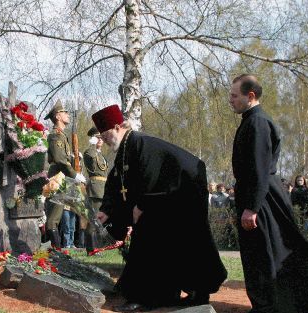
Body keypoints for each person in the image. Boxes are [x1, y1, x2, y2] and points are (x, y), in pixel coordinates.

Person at [230, 74, 308, 313]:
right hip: (263, 195)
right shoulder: (252, 120)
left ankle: (269, 306)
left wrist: (252, 207)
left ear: (251, 96)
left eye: (234, 95)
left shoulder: (257, 123)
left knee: (266, 252)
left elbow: (259, 167)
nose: (230, 100)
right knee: (271, 250)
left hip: (262, 198)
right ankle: (273, 304)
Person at [92, 105, 227, 311]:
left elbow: (152, 176)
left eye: (105, 133)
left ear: (118, 127)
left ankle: (153, 297)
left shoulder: (142, 144)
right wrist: (107, 209)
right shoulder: (125, 149)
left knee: (164, 241)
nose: (104, 139)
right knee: (158, 243)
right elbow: (116, 182)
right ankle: (161, 294)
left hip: (183, 195)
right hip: (162, 200)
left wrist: (141, 205)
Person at [44, 100, 86, 248]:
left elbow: (64, 158)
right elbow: (60, 160)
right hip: (58, 179)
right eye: (64, 112)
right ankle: (56, 252)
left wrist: (74, 159)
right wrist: (75, 175)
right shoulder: (56, 136)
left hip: (63, 178)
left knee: (83, 210)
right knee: (53, 219)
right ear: (57, 116)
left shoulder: (62, 136)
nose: (67, 114)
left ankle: (92, 244)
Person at [81, 126, 108, 253]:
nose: (100, 140)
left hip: (103, 189)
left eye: (101, 137)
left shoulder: (101, 155)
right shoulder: (89, 152)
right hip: (95, 189)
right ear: (92, 139)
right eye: (97, 137)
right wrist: (92, 146)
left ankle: (98, 247)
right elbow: (90, 163)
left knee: (99, 220)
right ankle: (91, 249)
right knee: (93, 220)